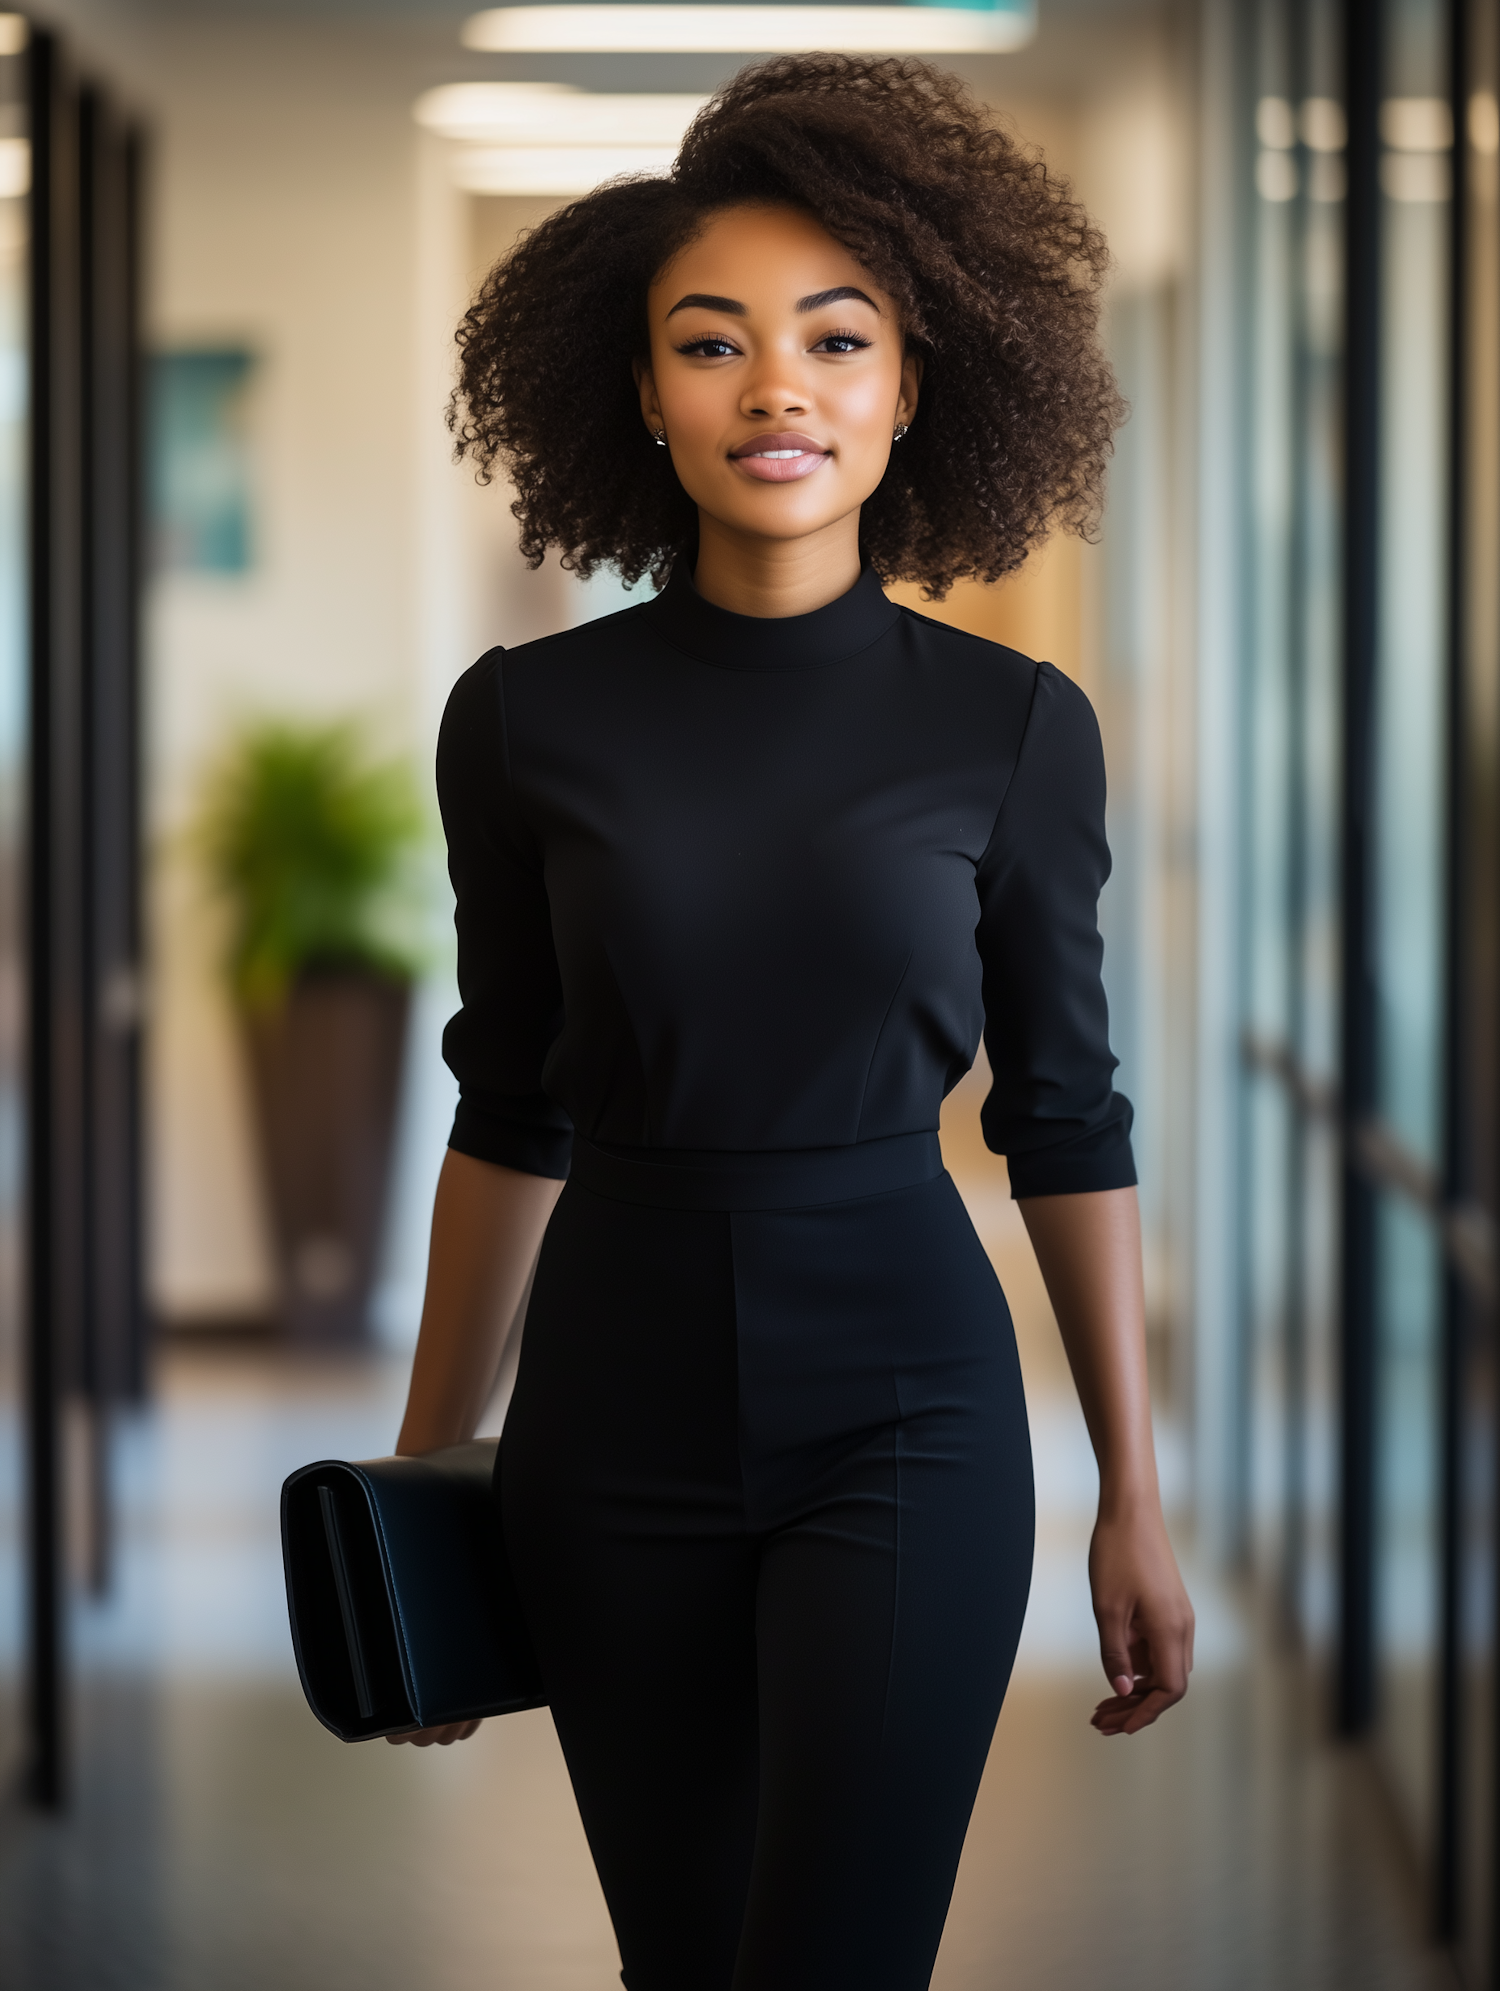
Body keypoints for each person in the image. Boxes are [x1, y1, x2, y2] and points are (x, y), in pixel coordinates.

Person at [391, 53, 1194, 1991]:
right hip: (614, 1411)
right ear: (643, 393)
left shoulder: (1013, 732)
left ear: (912, 386)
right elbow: (511, 1107)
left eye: (838, 339)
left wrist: (1134, 1497)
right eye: (713, 341)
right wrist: (427, 1479)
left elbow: (1069, 1120)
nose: (779, 388)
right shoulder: (520, 723)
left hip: (907, 1409)